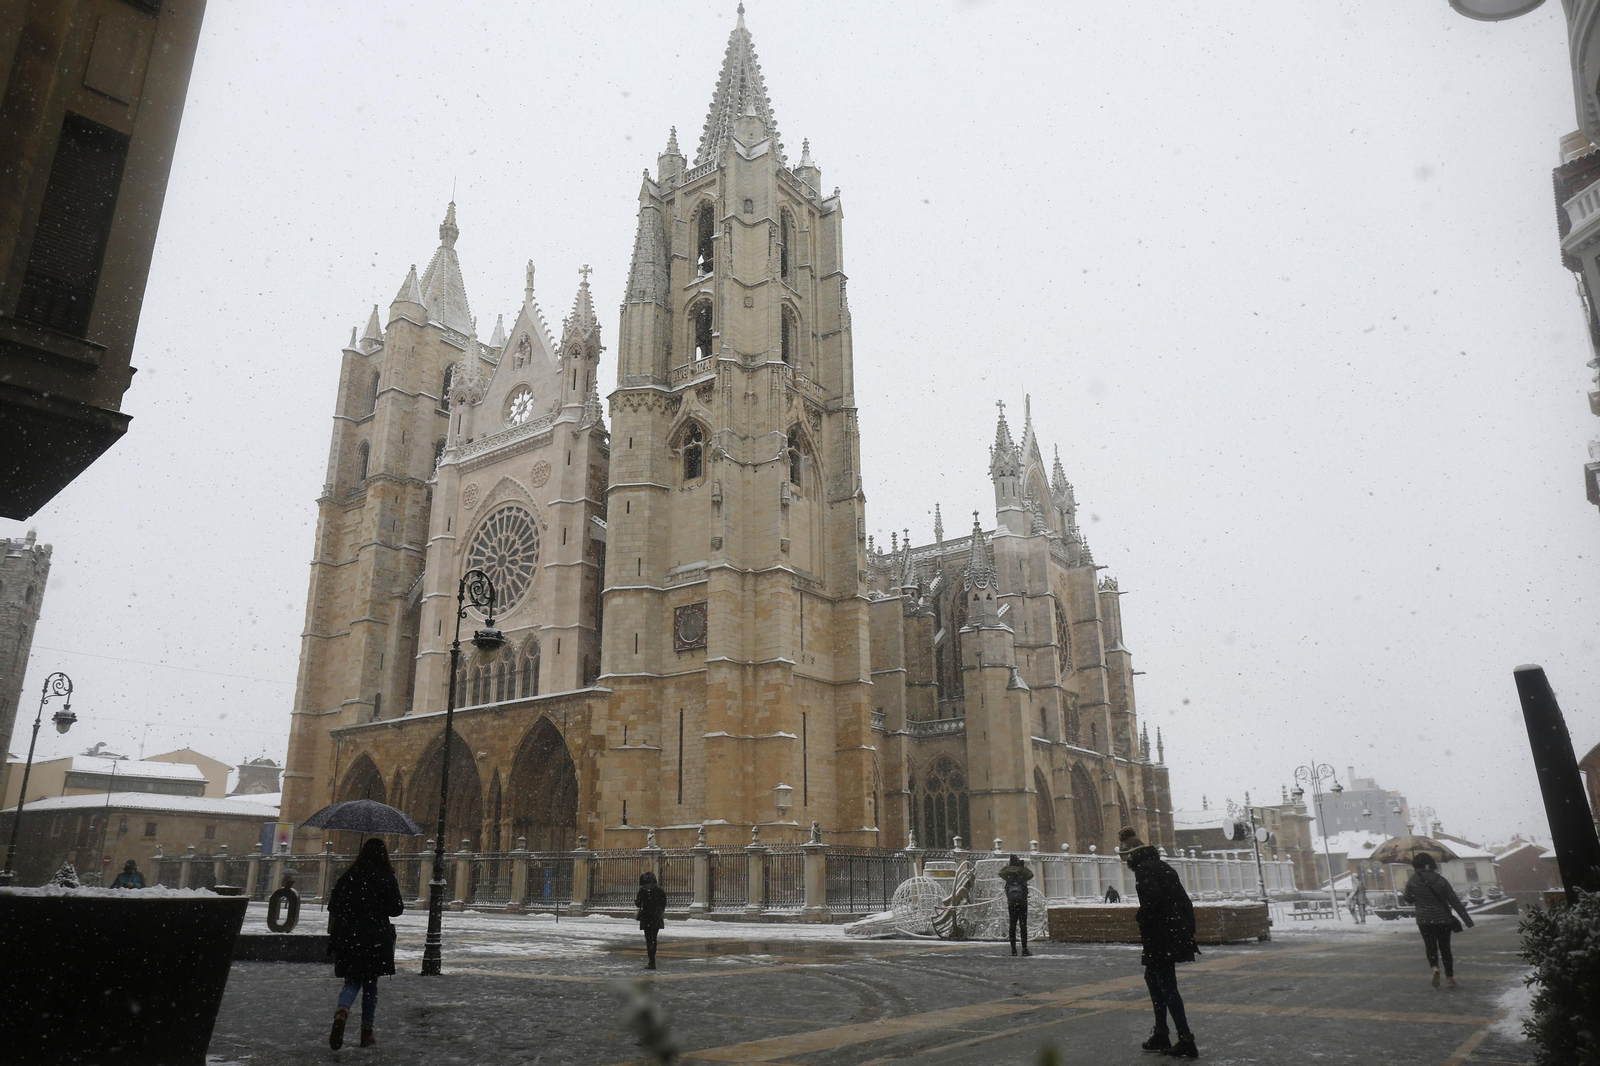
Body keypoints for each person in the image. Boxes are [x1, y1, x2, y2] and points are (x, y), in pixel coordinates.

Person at [1119, 827, 1200, 1059]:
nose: (1126, 863)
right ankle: (1162, 1033)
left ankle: (1185, 1039)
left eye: (1126, 858)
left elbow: (1153, 901)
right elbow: (1184, 900)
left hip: (1162, 935)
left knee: (1166, 984)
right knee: (1154, 979)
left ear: (1132, 855)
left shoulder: (1144, 870)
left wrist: (1142, 917)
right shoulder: (1163, 867)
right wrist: (1186, 930)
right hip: (1174, 931)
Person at [326, 838, 404, 1049]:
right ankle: (366, 1033)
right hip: (375, 937)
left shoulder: (348, 876)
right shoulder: (386, 877)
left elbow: (333, 906)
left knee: (352, 981)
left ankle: (342, 1011)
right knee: (370, 985)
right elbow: (397, 909)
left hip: (349, 936)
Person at [1400, 853, 1473, 988]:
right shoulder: (1440, 880)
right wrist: (1467, 920)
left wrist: (1412, 891)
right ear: (1431, 864)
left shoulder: (1413, 880)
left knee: (1430, 946)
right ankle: (1450, 977)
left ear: (1417, 866)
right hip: (1443, 920)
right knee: (1445, 948)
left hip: (1424, 920)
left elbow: (1408, 899)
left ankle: (1434, 968)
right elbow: (1454, 900)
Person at [996, 854, 1033, 956]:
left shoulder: (1007, 873)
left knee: (1012, 925)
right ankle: (1024, 949)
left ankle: (1013, 949)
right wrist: (1020, 867)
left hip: (1011, 903)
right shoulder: (1023, 872)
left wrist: (1010, 867)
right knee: (1023, 925)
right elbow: (1031, 875)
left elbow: (1000, 873)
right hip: (1022, 903)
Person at [635, 870, 668, 970]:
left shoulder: (643, 889)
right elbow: (664, 902)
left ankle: (651, 960)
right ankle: (652, 960)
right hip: (657, 916)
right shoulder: (659, 889)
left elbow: (638, 903)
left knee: (649, 939)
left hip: (646, 916)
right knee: (654, 938)